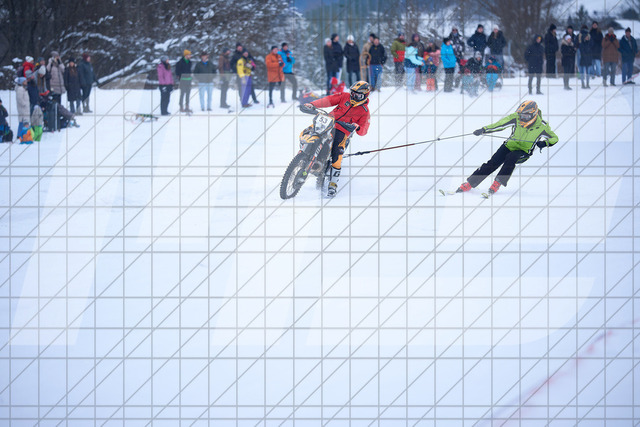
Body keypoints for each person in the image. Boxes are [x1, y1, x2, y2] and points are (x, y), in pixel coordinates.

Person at [457, 100, 558, 195]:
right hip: (509, 145)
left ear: (533, 115)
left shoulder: (542, 126)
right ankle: (470, 183)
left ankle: (497, 183)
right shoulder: (515, 117)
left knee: (511, 157)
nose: (522, 118)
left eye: (525, 116)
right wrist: (483, 129)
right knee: (492, 163)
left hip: (523, 151)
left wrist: (545, 143)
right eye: (521, 115)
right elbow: (499, 125)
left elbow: (554, 138)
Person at [302, 81, 371, 197]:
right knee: (307, 132)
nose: (354, 96)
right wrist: (313, 104)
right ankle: (303, 156)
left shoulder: (364, 111)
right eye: (353, 93)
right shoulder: (344, 96)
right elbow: (328, 100)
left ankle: (332, 185)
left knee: (337, 155)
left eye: (358, 95)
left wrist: (358, 127)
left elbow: (364, 130)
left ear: (365, 96)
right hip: (328, 122)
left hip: (343, 131)